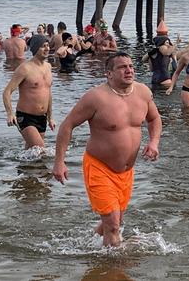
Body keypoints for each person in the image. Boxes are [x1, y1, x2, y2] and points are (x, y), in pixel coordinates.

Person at [52, 52, 162, 247]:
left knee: (116, 222)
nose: (129, 70)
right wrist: (59, 162)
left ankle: (83, 245)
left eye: (131, 66)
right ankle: (114, 271)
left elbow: (154, 119)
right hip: (99, 167)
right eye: (122, 67)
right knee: (112, 225)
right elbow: (67, 125)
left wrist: (153, 142)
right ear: (109, 74)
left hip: (126, 172)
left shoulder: (143, 92)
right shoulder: (96, 98)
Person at [3, 34, 55, 149]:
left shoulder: (48, 67)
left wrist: (50, 117)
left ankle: (22, 167)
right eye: (43, 46)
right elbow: (7, 92)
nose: (47, 49)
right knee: (40, 149)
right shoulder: (25, 68)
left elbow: (48, 93)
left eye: (47, 45)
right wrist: (10, 114)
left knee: (32, 153)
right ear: (35, 49)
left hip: (42, 117)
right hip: (25, 117)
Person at [142, 20, 178, 86]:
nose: (168, 44)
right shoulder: (166, 51)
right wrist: (176, 44)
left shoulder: (152, 53)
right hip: (165, 78)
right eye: (167, 42)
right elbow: (175, 67)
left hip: (154, 79)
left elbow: (151, 69)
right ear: (162, 43)